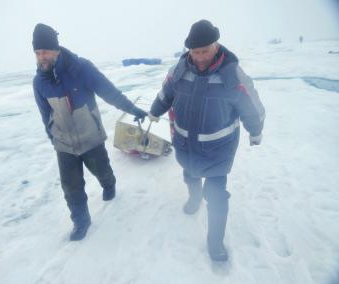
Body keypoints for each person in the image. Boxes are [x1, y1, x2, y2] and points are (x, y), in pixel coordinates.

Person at [147, 20, 265, 261]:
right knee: (189, 174)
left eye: (205, 51)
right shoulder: (178, 70)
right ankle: (194, 196)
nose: (200, 57)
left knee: (217, 195)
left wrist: (255, 130)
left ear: (216, 45)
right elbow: (166, 94)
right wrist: (154, 111)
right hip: (185, 144)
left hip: (217, 149)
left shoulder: (232, 74)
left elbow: (252, 106)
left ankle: (215, 242)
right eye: (195, 52)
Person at [32, 23, 147, 241]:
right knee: (71, 186)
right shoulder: (39, 82)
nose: (41, 56)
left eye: (45, 51)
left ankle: (109, 184)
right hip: (64, 144)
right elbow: (45, 114)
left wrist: (131, 109)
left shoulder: (81, 68)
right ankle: (81, 222)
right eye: (37, 53)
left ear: (56, 49)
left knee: (101, 170)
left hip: (90, 137)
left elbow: (108, 92)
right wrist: (54, 140)